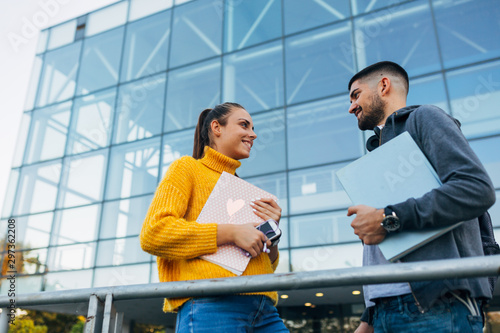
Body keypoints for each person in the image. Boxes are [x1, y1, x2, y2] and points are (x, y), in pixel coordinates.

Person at [346, 61, 496, 333]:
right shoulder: (379, 154)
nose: (351, 106)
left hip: (437, 305)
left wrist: (387, 217)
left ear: (383, 85)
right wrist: (369, 318)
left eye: (356, 95)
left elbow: (476, 189)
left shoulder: (424, 118)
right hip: (385, 311)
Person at [140, 102, 288, 333]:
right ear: (217, 127)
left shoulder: (244, 191)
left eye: (252, 127)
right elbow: (154, 233)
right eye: (244, 125)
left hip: (265, 309)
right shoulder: (187, 168)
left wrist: (271, 237)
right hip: (211, 304)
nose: (253, 134)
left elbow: (267, 264)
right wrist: (231, 232)